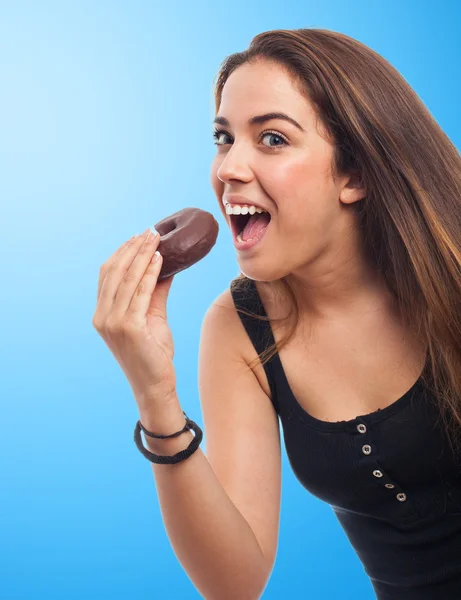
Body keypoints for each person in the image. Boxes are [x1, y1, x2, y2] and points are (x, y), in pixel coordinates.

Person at [93, 28, 461, 600]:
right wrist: (156, 398)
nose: (228, 168)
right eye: (223, 137)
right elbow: (236, 583)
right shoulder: (241, 326)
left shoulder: (452, 268)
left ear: (354, 175)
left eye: (270, 138)